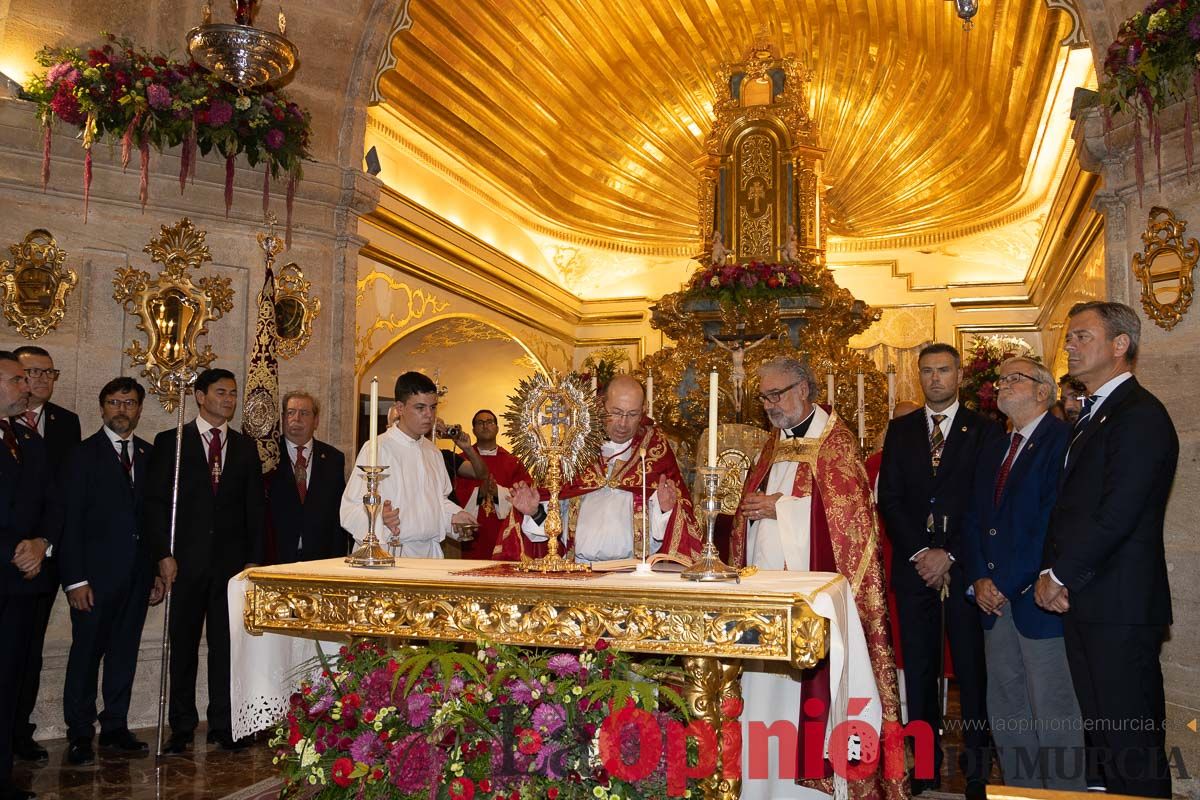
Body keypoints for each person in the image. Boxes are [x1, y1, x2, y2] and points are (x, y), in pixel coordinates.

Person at [728, 355, 905, 800]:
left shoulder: (836, 443)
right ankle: (759, 784)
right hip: (765, 593)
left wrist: (778, 509)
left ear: (804, 389)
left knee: (806, 698)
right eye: (763, 397)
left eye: (777, 394)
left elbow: (850, 525)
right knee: (762, 696)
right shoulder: (772, 444)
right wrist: (748, 516)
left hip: (815, 602)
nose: (769, 404)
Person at [1036, 301, 1177, 798]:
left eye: (1081, 336)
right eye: (1069, 337)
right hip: (1091, 601)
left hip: (1119, 604)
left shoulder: (1139, 415)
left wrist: (1060, 575)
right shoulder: (1095, 414)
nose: (1070, 346)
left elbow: (1119, 513)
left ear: (1120, 346)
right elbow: (1072, 509)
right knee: (1109, 743)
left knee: (1132, 749)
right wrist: (1054, 569)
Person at [877, 343, 1003, 800]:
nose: (935, 379)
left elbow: (983, 498)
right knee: (922, 673)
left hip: (965, 568)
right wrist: (921, 552)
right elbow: (888, 497)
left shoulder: (985, 429)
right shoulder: (901, 429)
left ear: (958, 374)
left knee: (972, 672)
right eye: (927, 371)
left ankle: (975, 770)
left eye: (944, 370)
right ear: (919, 375)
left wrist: (948, 553)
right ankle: (924, 767)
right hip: (916, 572)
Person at [962, 358, 1083, 789]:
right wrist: (978, 578)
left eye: (1016, 378)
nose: (1003, 385)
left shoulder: (1062, 441)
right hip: (993, 601)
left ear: (1043, 392)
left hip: (1036, 599)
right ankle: (1021, 793)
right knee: (1008, 708)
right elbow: (973, 518)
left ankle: (1065, 796)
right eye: (1001, 380)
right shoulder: (995, 446)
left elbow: (1055, 521)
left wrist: (1009, 583)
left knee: (1054, 712)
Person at [144, 368, 265, 754]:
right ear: (199, 396)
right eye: (220, 393)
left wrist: (253, 562)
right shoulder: (172, 442)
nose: (228, 400)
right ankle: (181, 725)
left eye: (232, 393)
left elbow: (253, 510)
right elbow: (156, 504)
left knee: (225, 646)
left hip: (230, 567)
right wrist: (162, 554)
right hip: (184, 563)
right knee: (182, 644)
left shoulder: (245, 448)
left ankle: (223, 724)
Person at [59, 378, 164, 765]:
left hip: (137, 577)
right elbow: (69, 522)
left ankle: (115, 726)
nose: (122, 409)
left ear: (139, 409)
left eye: (130, 403)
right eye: (115, 402)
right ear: (102, 407)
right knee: (86, 655)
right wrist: (75, 579)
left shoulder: (150, 455)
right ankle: (80, 733)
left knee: (124, 654)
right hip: (93, 579)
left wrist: (154, 569)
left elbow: (152, 520)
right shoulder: (81, 456)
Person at [511, 375, 702, 563]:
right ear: (602, 406)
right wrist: (534, 512)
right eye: (617, 412)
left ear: (644, 411)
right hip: (578, 569)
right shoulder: (573, 448)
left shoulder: (656, 451)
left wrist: (667, 510)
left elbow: (675, 528)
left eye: (633, 414)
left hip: (634, 573)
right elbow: (551, 525)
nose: (623, 423)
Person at [11, 345, 80, 764]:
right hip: (9, 551)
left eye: (48, 373)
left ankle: (20, 728)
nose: (40, 380)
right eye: (31, 372)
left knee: (28, 648)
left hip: (46, 555)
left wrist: (45, 543)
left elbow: (63, 494)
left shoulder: (64, 423)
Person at [341, 371, 475, 557]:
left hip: (430, 555)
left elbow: (437, 502)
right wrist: (379, 519)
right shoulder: (377, 449)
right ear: (400, 408)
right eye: (420, 408)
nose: (429, 415)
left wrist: (454, 516)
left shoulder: (433, 452)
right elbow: (349, 509)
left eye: (433, 407)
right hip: (390, 552)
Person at [0, 351, 55, 800]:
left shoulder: (31, 440)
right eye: (18, 379)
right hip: (6, 568)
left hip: (23, 583)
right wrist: (11, 552)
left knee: (9, 680)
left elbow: (52, 507)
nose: (28, 387)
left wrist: (40, 545)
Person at [267, 391, 350, 563]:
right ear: (282, 418)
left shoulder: (333, 459)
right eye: (290, 412)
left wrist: (339, 559)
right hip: (275, 556)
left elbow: (337, 515)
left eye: (304, 413)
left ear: (316, 421)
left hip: (320, 559)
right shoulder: (266, 455)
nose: (296, 418)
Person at [453, 409, 538, 560]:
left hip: (503, 533)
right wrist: (479, 493)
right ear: (473, 429)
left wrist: (496, 492)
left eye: (490, 422)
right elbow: (452, 495)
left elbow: (526, 495)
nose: (485, 426)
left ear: (497, 428)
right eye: (480, 422)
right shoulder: (460, 461)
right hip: (472, 536)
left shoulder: (513, 462)